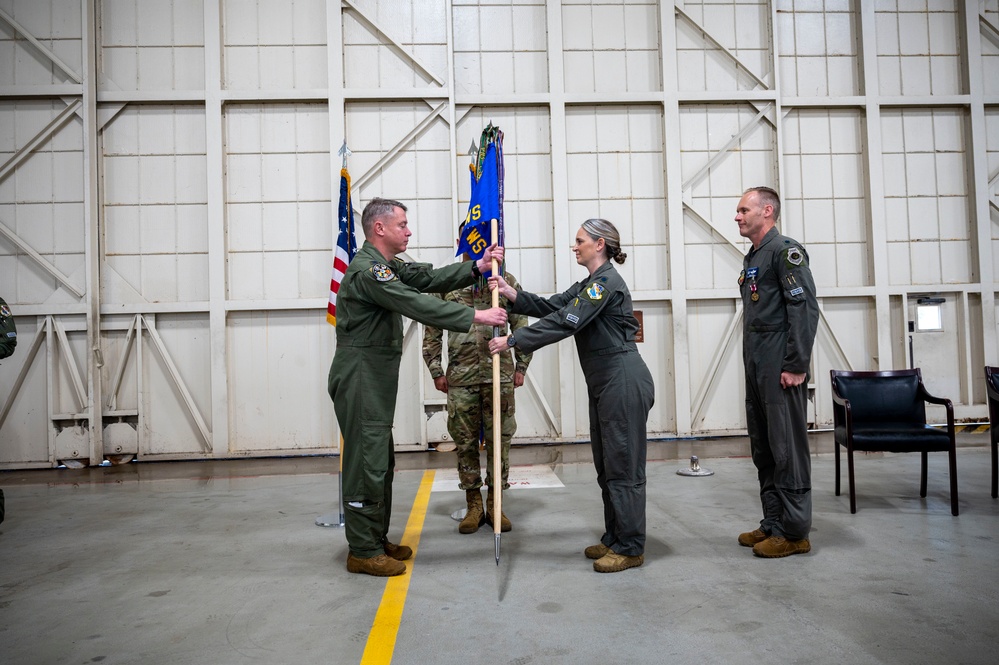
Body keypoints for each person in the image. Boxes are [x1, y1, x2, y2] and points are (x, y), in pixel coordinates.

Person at [327, 197, 507, 577]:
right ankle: (362, 549)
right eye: (403, 225)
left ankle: (375, 538)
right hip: (361, 373)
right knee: (366, 461)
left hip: (374, 373)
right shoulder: (368, 272)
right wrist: (477, 314)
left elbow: (425, 279)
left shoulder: (387, 266)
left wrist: (474, 266)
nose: (409, 231)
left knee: (379, 459)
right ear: (380, 228)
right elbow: (414, 302)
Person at [487, 219, 655, 573]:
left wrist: (513, 340)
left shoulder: (605, 283)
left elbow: (567, 321)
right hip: (605, 380)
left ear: (599, 244)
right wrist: (510, 292)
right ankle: (615, 536)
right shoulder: (591, 283)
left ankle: (631, 546)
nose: (574, 246)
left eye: (579, 241)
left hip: (621, 379)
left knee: (623, 466)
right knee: (607, 464)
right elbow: (556, 307)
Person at [734, 186, 819, 558]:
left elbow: (804, 309)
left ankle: (795, 532)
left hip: (779, 364)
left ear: (767, 211)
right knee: (764, 446)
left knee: (787, 448)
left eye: (743, 210)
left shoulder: (786, 251)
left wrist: (797, 364)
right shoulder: (754, 255)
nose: (737, 217)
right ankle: (774, 522)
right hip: (756, 362)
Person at [422, 264, 532, 534]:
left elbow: (521, 326)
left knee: (500, 441)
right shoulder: (448, 284)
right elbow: (433, 328)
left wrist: (521, 366)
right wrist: (436, 369)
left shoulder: (505, 280)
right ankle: (473, 505)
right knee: (465, 442)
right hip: (462, 377)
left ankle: (495, 504)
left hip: (499, 375)